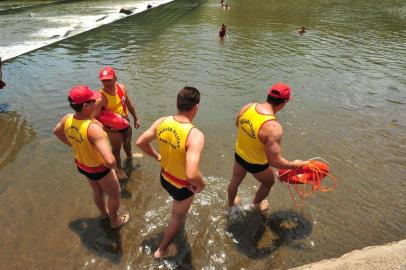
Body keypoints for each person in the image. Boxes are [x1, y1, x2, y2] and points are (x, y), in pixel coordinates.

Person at [136, 86, 206, 258]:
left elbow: (140, 142)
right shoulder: (195, 135)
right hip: (182, 186)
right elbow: (191, 174)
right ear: (196, 107)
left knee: (177, 209)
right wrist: (202, 185)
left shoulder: (162, 121)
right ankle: (161, 249)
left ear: (177, 103)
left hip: (165, 177)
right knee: (178, 218)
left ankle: (176, 214)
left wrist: (158, 156)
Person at [53, 85, 129, 228]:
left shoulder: (67, 119)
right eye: (94, 100)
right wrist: (111, 167)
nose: (97, 102)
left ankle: (104, 214)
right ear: (86, 106)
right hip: (99, 169)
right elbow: (111, 160)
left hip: (82, 165)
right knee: (115, 194)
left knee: (97, 190)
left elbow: (57, 132)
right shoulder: (93, 128)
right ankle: (115, 221)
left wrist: (75, 145)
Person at [227, 83, 307, 210]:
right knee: (269, 182)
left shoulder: (248, 107)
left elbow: (238, 124)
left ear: (268, 95)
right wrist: (295, 164)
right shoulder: (273, 127)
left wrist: (252, 137)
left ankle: (230, 205)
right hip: (256, 163)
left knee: (235, 181)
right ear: (284, 102)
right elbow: (274, 161)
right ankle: (256, 205)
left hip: (239, 154)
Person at [96, 66, 140, 180]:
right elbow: (93, 118)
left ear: (115, 78)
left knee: (127, 142)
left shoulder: (121, 87)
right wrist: (105, 129)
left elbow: (129, 104)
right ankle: (119, 169)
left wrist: (136, 118)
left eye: (109, 80)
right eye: (103, 80)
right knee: (116, 150)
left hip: (126, 122)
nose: (106, 83)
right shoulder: (100, 98)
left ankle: (130, 156)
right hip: (112, 128)